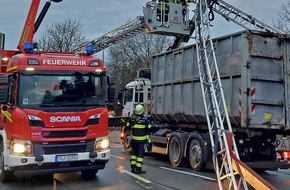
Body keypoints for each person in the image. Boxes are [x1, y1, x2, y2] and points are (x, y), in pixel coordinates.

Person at [125, 104, 152, 174]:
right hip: (141, 141)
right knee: (140, 155)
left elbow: (127, 127)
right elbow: (150, 128)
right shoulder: (145, 120)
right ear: (142, 111)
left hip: (134, 140)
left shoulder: (131, 119)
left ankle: (133, 167)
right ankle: (138, 169)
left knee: (134, 154)